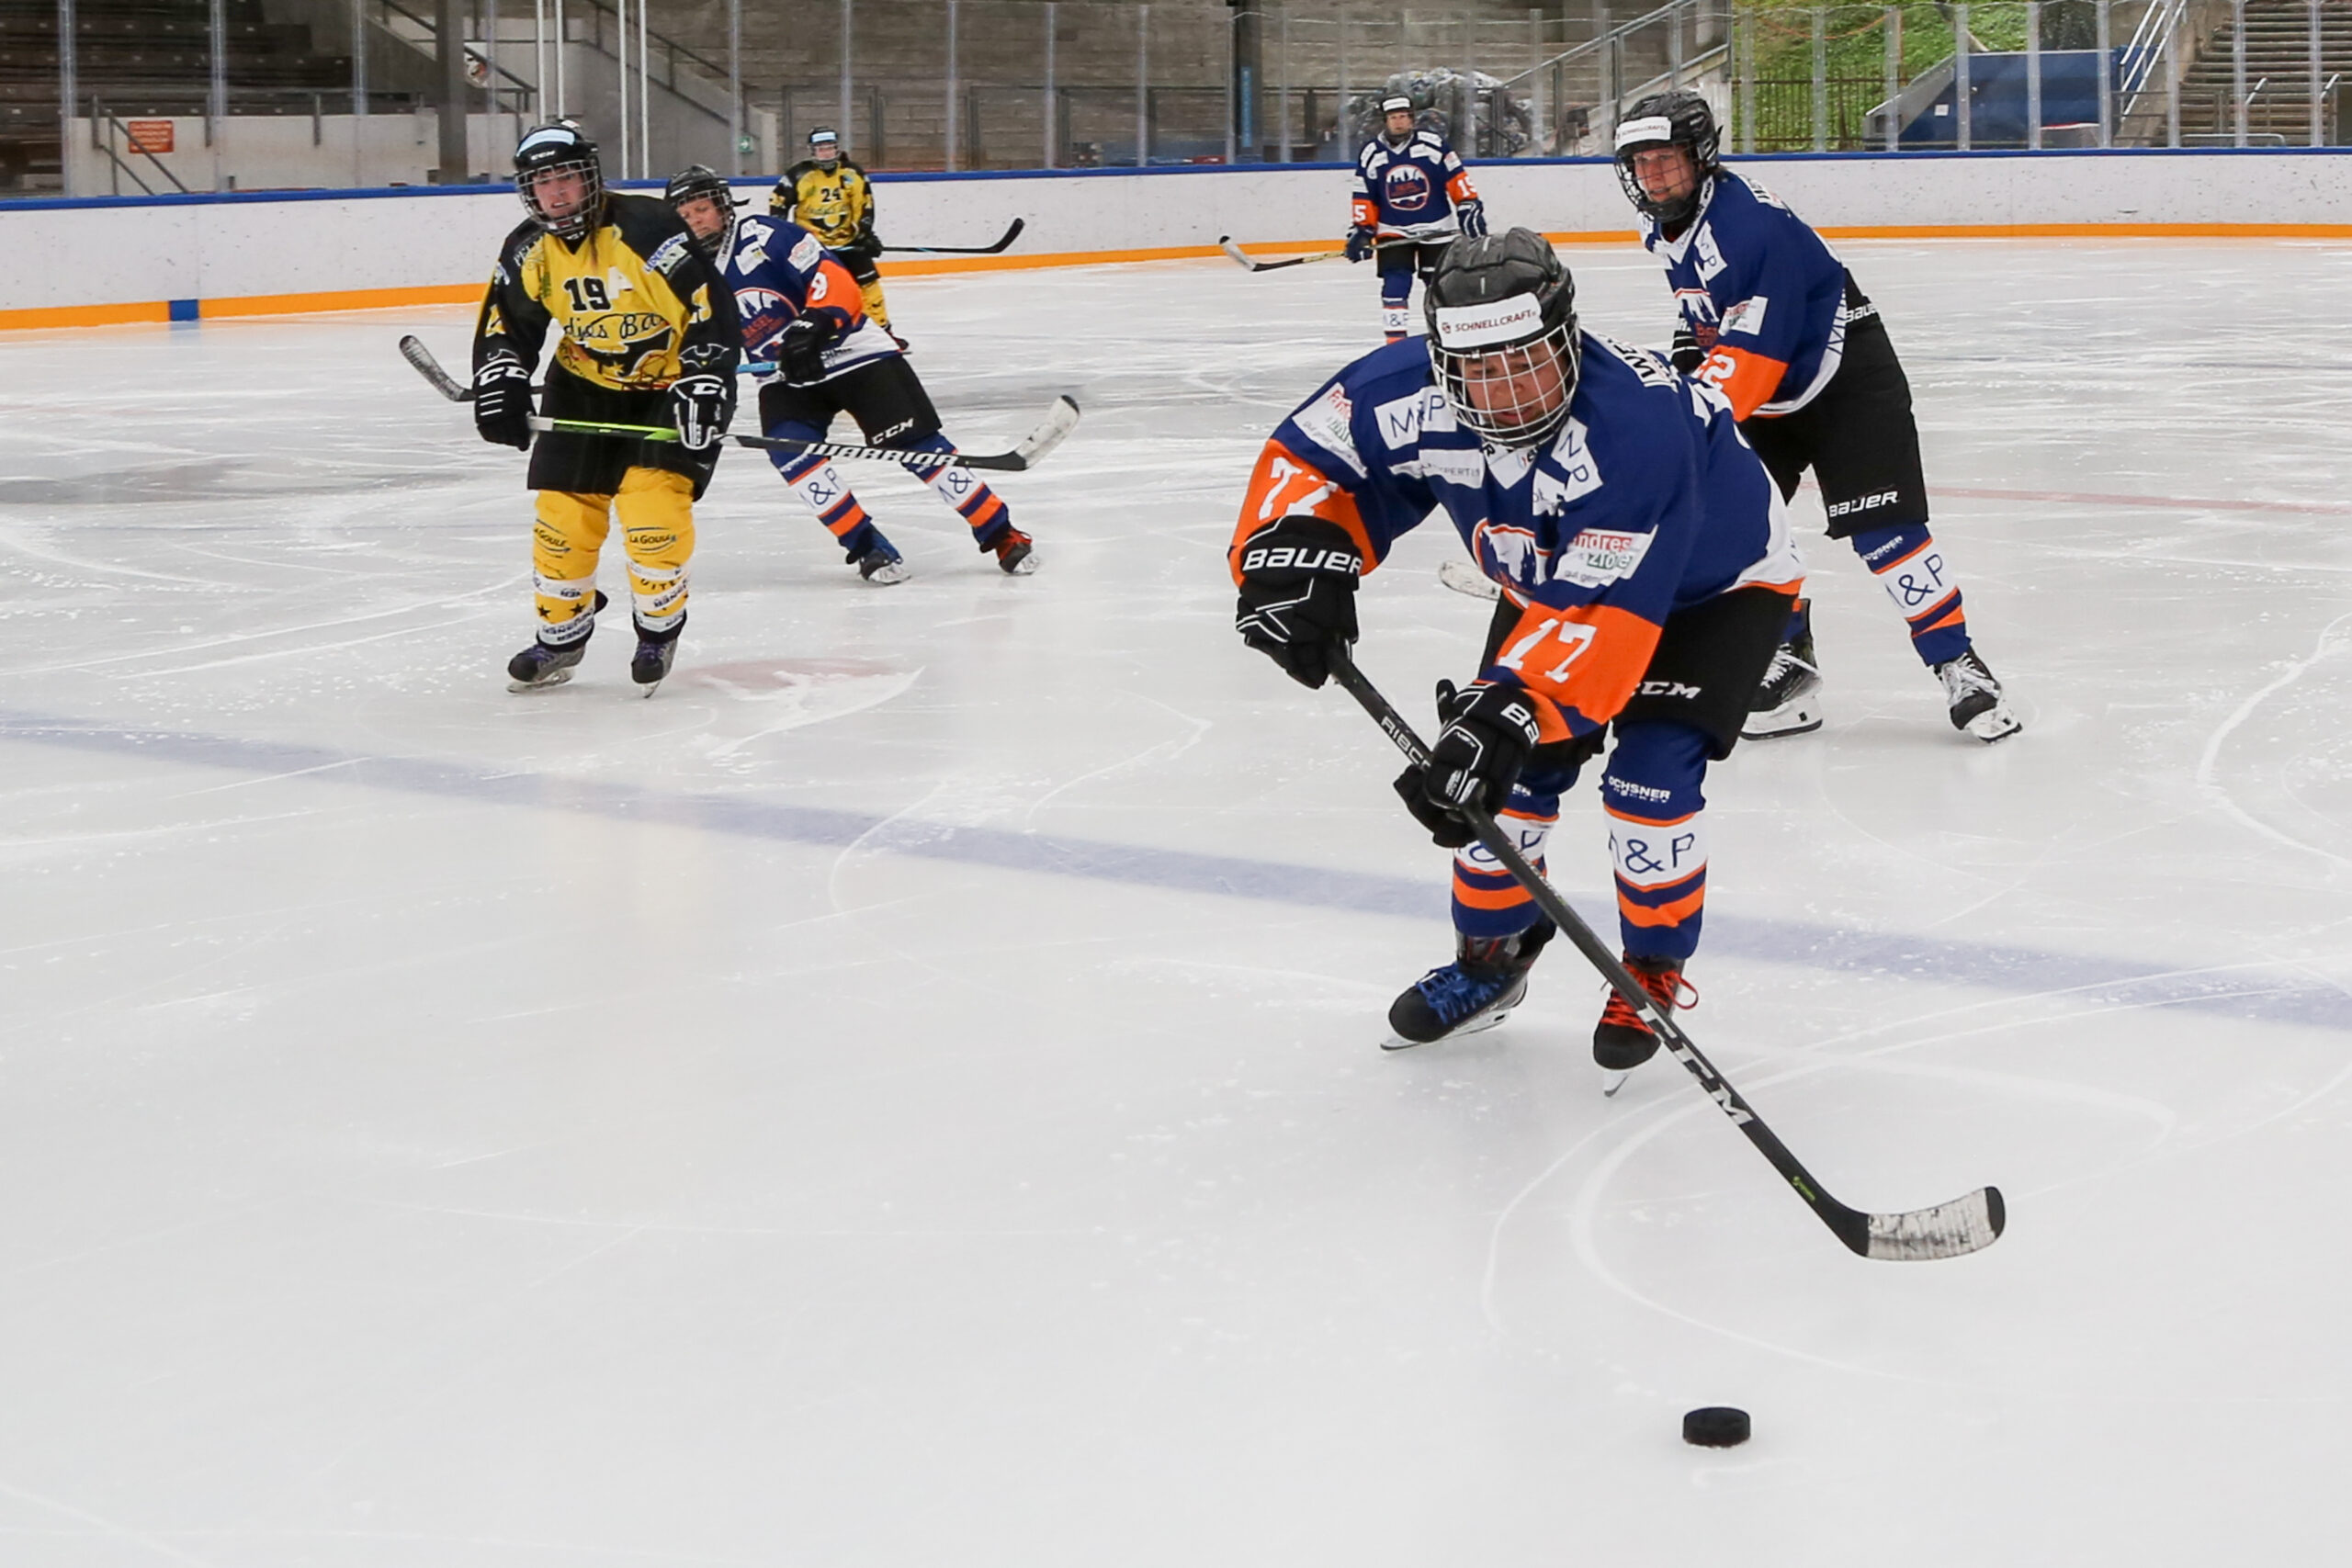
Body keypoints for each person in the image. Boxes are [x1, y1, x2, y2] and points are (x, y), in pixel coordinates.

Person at [1228, 229, 1802, 1067]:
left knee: (1646, 781)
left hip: (1716, 589)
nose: (1506, 391)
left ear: (1567, 339)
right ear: (1442, 362)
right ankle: (1491, 958)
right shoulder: (1404, 390)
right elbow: (1315, 458)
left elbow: (1605, 608)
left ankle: (1651, 964)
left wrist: (1509, 710)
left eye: (1527, 361)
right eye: (1479, 369)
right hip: (1551, 583)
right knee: (1496, 787)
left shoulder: (1635, 426)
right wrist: (1290, 554)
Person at [1611, 89, 2021, 743]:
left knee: (1885, 531)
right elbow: (1707, 316)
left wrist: (1680, 425)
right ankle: (1790, 662)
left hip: (1844, 375)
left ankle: (1958, 662)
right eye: (1641, 163)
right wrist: (1686, 367)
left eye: (1666, 159)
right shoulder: (1663, 225)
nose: (1653, 176)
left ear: (1700, 156)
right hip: (1767, 383)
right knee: (1734, 524)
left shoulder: (1750, 226)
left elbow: (1754, 357)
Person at [665, 164, 1036, 581]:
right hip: (786, 375)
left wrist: (817, 322)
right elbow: (691, 337)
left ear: (722, 207)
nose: (696, 220)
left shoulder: (765, 235)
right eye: (686, 214)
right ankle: (866, 546)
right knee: (792, 454)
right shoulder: (687, 273)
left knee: (917, 446)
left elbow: (833, 278)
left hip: (853, 353)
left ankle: (1001, 533)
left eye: (702, 209)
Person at [473, 121, 739, 694]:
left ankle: (658, 629)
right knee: (562, 518)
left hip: (672, 387)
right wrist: (502, 377)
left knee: (652, 510)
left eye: (565, 177)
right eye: (542, 182)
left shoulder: (646, 228)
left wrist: (705, 379)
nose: (556, 192)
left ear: (590, 176)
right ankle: (561, 635)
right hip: (583, 385)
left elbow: (708, 305)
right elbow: (506, 325)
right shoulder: (528, 247)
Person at [1348, 94, 1487, 343]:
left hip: (1436, 228)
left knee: (1440, 287)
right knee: (1395, 285)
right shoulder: (1371, 152)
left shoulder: (1433, 144)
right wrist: (1362, 229)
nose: (1399, 122)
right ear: (1385, 121)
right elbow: (1364, 194)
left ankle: (1448, 339)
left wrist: (1468, 205)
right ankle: (1395, 344)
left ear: (1412, 119)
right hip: (1393, 230)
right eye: (1393, 117)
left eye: (1403, 116)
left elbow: (1457, 177)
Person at [771, 127, 898, 344]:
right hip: (813, 249)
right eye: (821, 149)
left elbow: (864, 204)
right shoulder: (798, 175)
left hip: (849, 243)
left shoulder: (852, 173)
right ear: (813, 151)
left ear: (837, 149)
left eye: (829, 148)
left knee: (869, 286)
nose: (826, 153)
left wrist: (864, 233)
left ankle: (883, 332)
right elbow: (778, 205)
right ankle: (814, 337)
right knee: (815, 292)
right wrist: (784, 237)